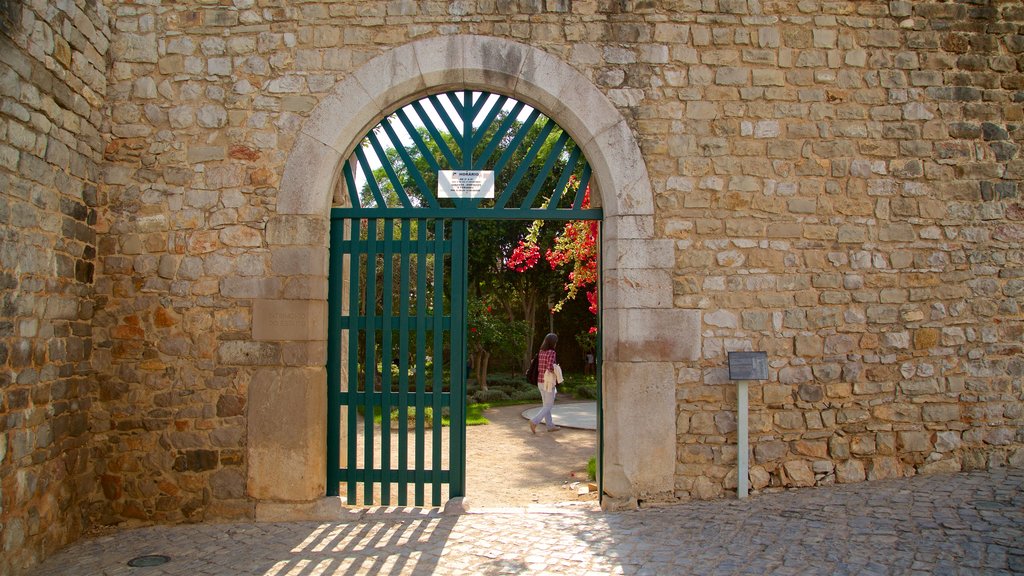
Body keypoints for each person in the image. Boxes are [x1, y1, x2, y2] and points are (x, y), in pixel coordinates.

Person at [529, 333, 561, 434]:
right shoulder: (551, 352)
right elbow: (550, 367)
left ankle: (550, 425)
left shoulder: (541, 351)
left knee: (546, 405)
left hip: (540, 381)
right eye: (555, 342)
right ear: (553, 342)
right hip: (548, 382)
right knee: (549, 405)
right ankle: (534, 421)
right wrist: (557, 368)